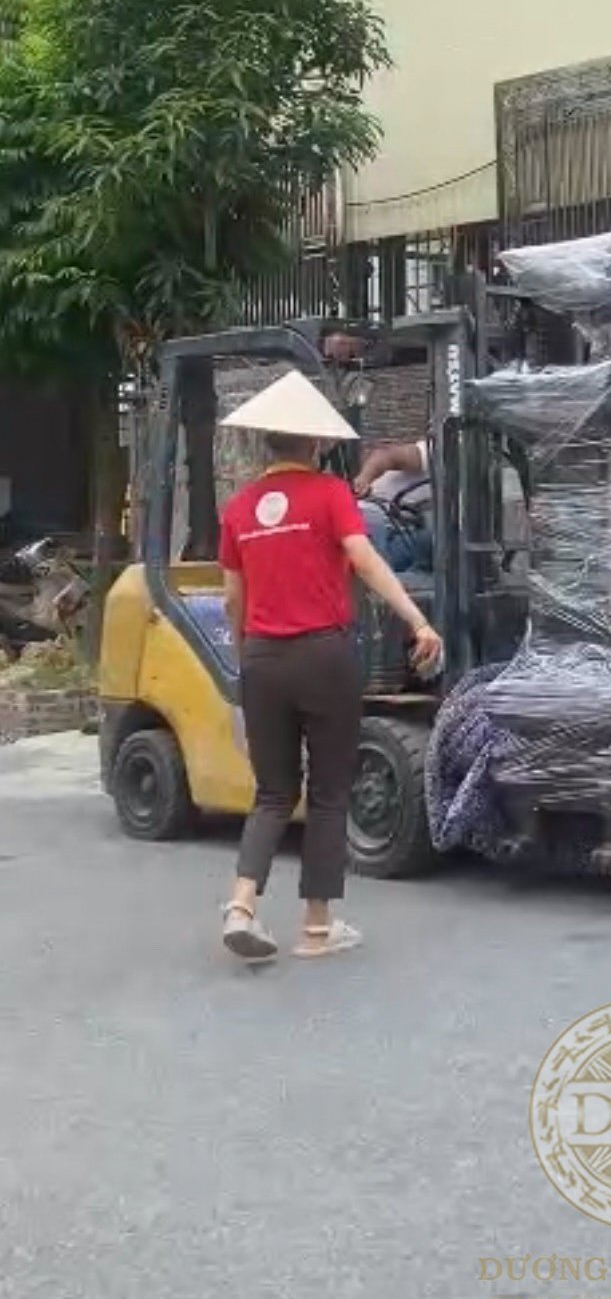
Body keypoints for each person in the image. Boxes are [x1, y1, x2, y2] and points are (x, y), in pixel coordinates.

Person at [216, 368, 441, 966]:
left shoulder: (238, 509)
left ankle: (241, 905)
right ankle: (316, 928)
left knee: (272, 792)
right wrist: (417, 620)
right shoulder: (330, 494)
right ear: (315, 442)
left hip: (261, 658)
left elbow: (233, 599)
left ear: (268, 442)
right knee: (329, 792)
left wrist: (245, 657)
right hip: (323, 655)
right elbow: (364, 560)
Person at [353, 438, 432, 573]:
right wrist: (363, 480)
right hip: (378, 520)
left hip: (407, 530)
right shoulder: (443, 450)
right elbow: (386, 456)